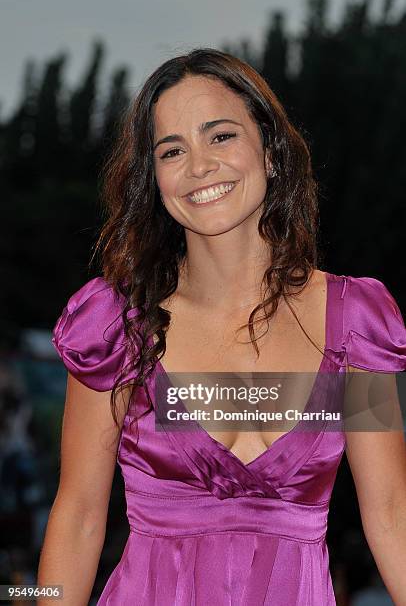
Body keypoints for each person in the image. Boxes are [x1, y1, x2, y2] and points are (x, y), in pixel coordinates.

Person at [37, 48, 406, 605]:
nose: (199, 166)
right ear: (154, 178)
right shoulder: (115, 327)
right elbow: (80, 515)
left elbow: (391, 512)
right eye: (172, 150)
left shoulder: (355, 323)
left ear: (271, 149)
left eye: (221, 136)